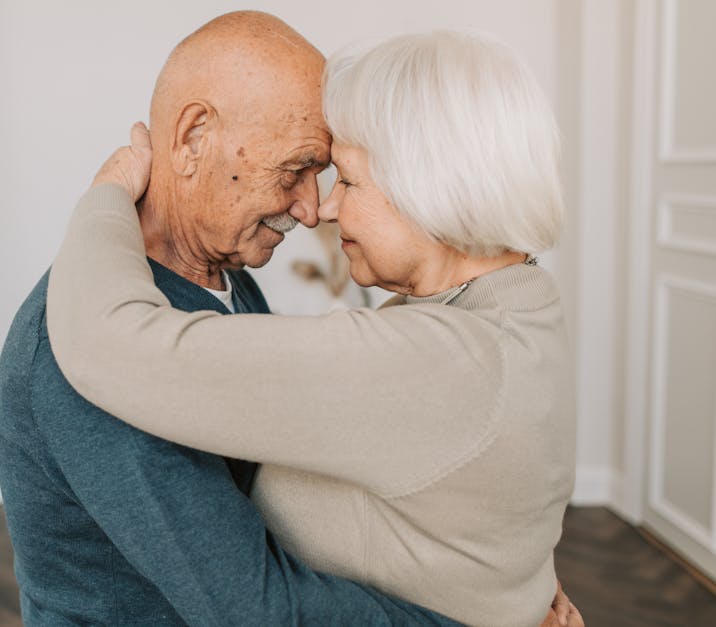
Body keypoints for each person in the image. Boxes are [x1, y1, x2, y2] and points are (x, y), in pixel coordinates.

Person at [46, 28, 581, 627]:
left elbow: (108, 342)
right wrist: (517, 586)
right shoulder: (524, 305)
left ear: (430, 186)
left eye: (346, 179)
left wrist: (109, 192)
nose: (323, 209)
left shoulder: (440, 360)